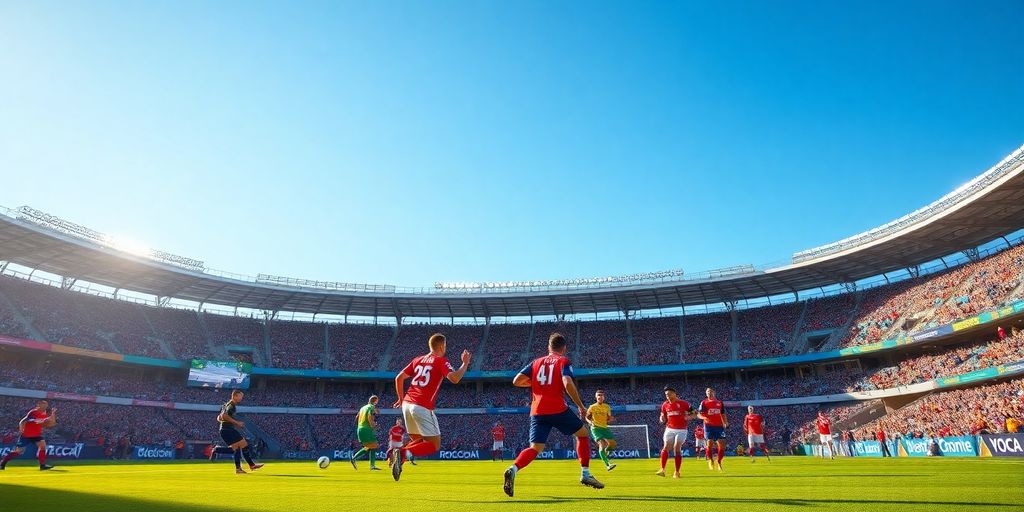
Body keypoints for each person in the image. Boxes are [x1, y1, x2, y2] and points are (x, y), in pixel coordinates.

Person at [503, 333, 604, 497]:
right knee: (583, 434)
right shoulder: (563, 361)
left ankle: (513, 468)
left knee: (535, 448)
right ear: (564, 348)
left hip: (537, 411)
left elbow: (516, 380)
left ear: (548, 348)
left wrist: (534, 383)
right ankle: (585, 473)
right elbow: (567, 382)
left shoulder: (536, 362)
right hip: (557, 408)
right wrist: (580, 406)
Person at [390, 333, 471, 481]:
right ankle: (401, 453)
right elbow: (455, 378)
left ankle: (398, 456)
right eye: (445, 345)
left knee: (420, 440)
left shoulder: (418, 360)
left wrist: (401, 400)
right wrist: (465, 363)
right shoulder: (441, 361)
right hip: (422, 406)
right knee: (434, 445)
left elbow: (399, 377)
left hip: (407, 404)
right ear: (441, 346)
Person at [208, 389, 264, 474]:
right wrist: (236, 422)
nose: (241, 398)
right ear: (235, 396)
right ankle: (251, 465)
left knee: (235, 449)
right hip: (227, 430)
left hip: (226, 429)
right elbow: (224, 416)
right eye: (240, 396)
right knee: (243, 444)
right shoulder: (231, 405)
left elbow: (219, 417)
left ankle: (237, 468)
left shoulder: (227, 405)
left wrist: (232, 422)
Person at [0, 399, 55, 471]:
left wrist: (53, 415)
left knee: (43, 446)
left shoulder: (44, 413)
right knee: (18, 451)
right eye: (43, 405)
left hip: (36, 435)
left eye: (46, 405)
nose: (45, 406)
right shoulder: (33, 412)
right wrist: (21, 429)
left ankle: (42, 465)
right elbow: (24, 421)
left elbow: (51, 423)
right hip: (27, 435)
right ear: (38, 405)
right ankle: (3, 463)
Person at [656, 386, 692, 478]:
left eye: (669, 394)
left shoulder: (684, 403)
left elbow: (694, 412)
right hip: (669, 428)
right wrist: (661, 418)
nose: (667, 396)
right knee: (666, 446)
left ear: (674, 394)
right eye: (666, 395)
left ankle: (677, 472)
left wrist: (689, 417)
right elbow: (662, 414)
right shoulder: (665, 404)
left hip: (681, 429)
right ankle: (662, 469)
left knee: (677, 447)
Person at [586, 390, 617, 471]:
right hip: (595, 428)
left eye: (602, 395)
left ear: (604, 397)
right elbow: (587, 417)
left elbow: (608, 418)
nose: (600, 396)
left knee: (613, 444)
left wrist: (610, 419)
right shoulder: (592, 407)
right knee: (602, 444)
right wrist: (590, 422)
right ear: (596, 397)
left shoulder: (607, 407)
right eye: (598, 395)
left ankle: (605, 455)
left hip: (604, 428)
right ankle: (608, 465)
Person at [698, 388, 728, 471]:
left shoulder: (719, 403)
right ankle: (711, 460)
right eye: (707, 391)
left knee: (722, 445)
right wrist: (704, 417)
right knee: (709, 444)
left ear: (714, 392)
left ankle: (719, 462)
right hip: (708, 426)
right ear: (706, 393)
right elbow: (699, 414)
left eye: (710, 391)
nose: (709, 393)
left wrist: (725, 422)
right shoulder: (704, 402)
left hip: (719, 426)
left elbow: (722, 413)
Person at [351, 395, 381, 470]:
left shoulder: (362, 408)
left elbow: (356, 417)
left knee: (369, 446)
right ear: (375, 401)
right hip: (367, 429)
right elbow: (369, 417)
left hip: (360, 428)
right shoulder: (371, 407)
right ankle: (355, 458)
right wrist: (374, 425)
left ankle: (371, 466)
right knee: (375, 445)